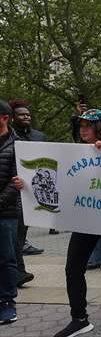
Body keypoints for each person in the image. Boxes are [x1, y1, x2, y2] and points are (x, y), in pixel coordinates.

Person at [53, 109, 101, 337]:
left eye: (88, 125)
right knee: (73, 267)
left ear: (100, 127)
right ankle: (79, 318)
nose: (83, 129)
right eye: (81, 125)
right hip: (85, 216)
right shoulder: (76, 152)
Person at [7, 100, 47, 290]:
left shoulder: (39, 137)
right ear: (12, 118)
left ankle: (17, 272)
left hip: (32, 193)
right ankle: (17, 272)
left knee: (20, 235)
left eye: (28, 114)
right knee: (14, 235)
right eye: (22, 114)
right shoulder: (9, 139)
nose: (26, 117)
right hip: (12, 193)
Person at [0, 100, 20, 325]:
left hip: (6, 213)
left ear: (4, 118)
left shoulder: (18, 145)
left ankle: (7, 302)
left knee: (6, 258)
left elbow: (16, 182)